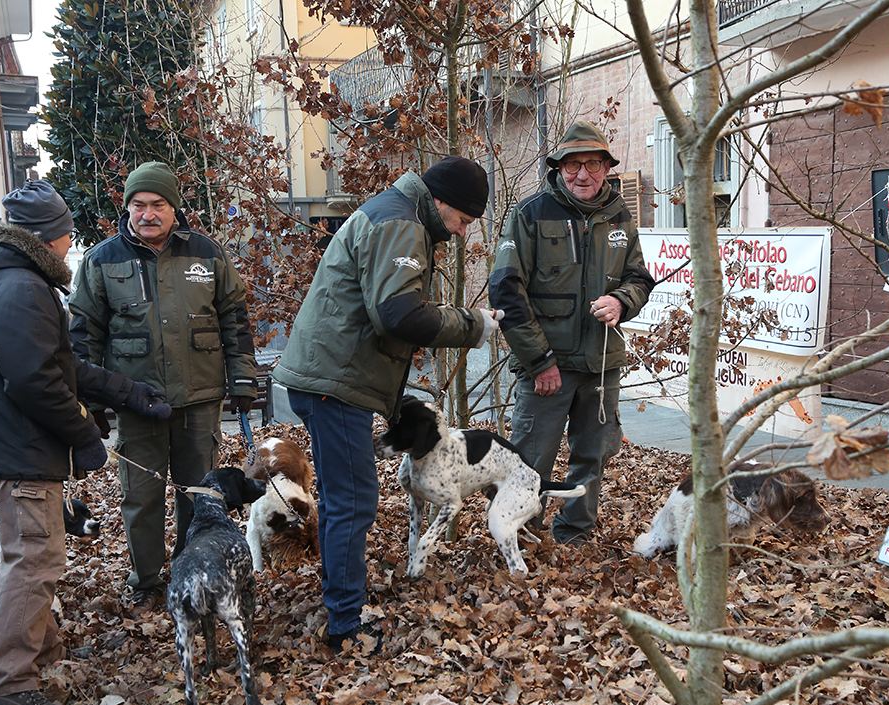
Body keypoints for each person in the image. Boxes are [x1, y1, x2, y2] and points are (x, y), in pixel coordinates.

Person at [272, 156, 502, 653]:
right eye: (462, 221)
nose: (462, 234)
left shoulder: (395, 212)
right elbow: (398, 314)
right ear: (442, 203)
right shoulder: (402, 223)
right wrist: (472, 325)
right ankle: (346, 626)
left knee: (339, 499)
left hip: (329, 376)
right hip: (336, 382)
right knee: (354, 500)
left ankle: (340, 604)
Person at [0, 179, 173, 705]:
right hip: (25, 448)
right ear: (45, 238)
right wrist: (84, 434)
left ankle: (45, 653)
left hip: (20, 443)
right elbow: (35, 380)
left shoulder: (16, 280)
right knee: (34, 562)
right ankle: (10, 682)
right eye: (64, 235)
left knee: (34, 556)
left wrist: (126, 391)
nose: (68, 245)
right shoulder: (20, 288)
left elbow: (62, 366)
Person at [69, 161, 259, 614]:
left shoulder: (207, 254)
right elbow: (83, 334)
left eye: (157, 205)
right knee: (141, 496)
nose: (148, 214)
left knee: (199, 494)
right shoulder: (102, 260)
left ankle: (192, 571)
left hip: (199, 400)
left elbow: (234, 318)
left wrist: (244, 378)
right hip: (135, 403)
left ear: (174, 208)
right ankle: (147, 582)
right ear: (127, 208)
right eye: (138, 205)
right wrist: (91, 401)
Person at [488, 122, 655, 546]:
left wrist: (621, 302)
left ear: (606, 167)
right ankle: (522, 538)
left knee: (593, 457)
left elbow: (639, 278)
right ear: (559, 168)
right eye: (573, 165)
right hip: (547, 368)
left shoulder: (620, 214)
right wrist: (539, 361)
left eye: (593, 164)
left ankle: (574, 535)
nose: (584, 174)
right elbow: (506, 290)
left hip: (600, 365)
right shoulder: (531, 213)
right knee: (529, 461)